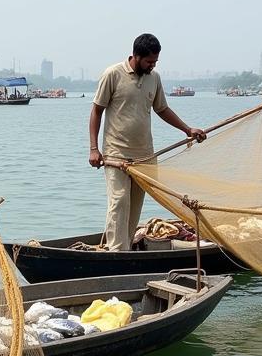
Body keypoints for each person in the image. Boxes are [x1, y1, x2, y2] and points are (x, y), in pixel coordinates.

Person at [88, 33, 206, 251]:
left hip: (145, 155)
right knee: (119, 201)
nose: (152, 65)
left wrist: (187, 130)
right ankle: (115, 252)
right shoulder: (112, 74)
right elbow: (96, 111)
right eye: (149, 61)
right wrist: (94, 149)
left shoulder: (154, 78)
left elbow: (162, 108)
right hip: (116, 154)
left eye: (155, 62)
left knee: (134, 206)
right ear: (136, 56)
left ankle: (125, 249)